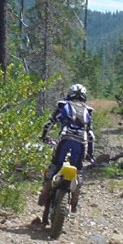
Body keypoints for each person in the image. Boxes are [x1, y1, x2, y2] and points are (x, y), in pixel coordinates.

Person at [38, 83, 95, 221]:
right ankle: (74, 200)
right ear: (84, 97)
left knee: (54, 166)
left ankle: (44, 193)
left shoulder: (63, 106)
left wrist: (44, 137)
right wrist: (90, 155)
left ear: (70, 94)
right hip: (81, 143)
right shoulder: (88, 111)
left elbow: (48, 124)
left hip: (64, 139)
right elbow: (91, 135)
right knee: (78, 171)